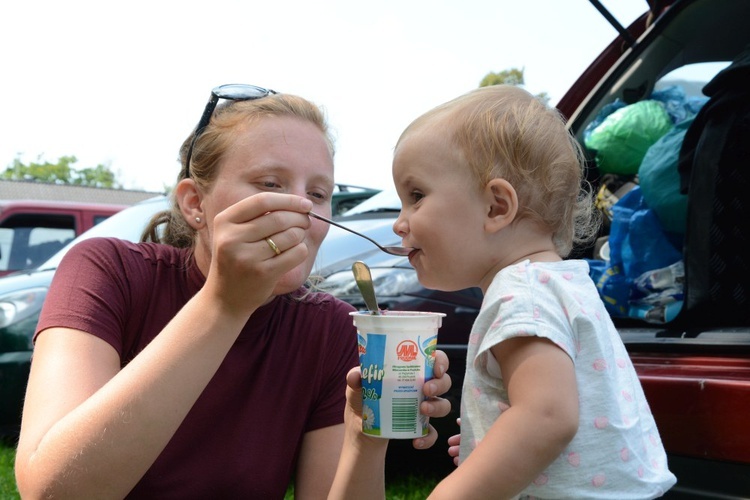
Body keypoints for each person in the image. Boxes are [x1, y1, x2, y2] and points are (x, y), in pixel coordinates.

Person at [14, 84, 452, 499]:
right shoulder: (109, 271)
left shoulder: (329, 328)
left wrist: (366, 432)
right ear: (193, 203)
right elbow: (52, 490)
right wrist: (224, 304)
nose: (302, 210)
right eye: (270, 184)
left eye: (318, 193)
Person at [387, 85, 677, 499]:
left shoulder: (519, 292)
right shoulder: (563, 281)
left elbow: (547, 416)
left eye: (416, 196)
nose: (401, 222)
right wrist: (490, 440)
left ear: (496, 208)